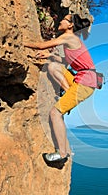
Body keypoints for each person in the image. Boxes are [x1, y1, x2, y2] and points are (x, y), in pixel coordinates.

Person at [24, 13, 97, 163]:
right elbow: (65, 60)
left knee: (55, 113)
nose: (60, 21)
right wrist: (48, 56)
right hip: (80, 79)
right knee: (53, 66)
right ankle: (67, 94)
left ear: (70, 25)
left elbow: (40, 45)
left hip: (85, 83)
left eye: (63, 19)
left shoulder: (68, 37)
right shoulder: (71, 40)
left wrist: (20, 42)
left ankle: (62, 154)